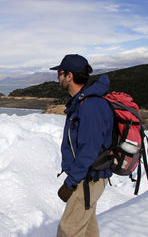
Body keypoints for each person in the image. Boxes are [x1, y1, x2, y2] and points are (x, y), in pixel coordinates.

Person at [50, 54, 113, 237]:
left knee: (68, 230)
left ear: (69, 76)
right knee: (87, 229)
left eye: (60, 73)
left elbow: (89, 150)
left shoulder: (90, 106)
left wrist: (70, 183)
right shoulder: (81, 103)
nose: (57, 77)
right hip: (86, 176)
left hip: (87, 179)